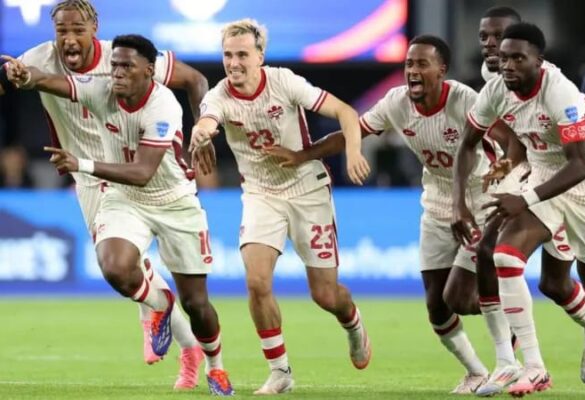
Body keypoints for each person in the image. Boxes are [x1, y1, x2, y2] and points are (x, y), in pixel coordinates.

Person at [263, 35, 494, 394]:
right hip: (435, 202)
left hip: (479, 201)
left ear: (442, 70)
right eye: (409, 64)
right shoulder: (396, 102)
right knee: (436, 306)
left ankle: (509, 322)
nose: (412, 71)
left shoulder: (466, 101)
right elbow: (351, 131)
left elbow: (504, 138)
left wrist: (512, 170)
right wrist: (304, 155)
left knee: (460, 298)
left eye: (422, 64)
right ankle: (476, 372)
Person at [4, 34, 234, 396]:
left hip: (172, 200)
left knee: (196, 303)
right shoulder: (99, 87)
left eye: (127, 66)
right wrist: (24, 76)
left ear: (150, 70)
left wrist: (82, 163)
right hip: (121, 195)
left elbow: (143, 172)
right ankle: (158, 304)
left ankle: (214, 365)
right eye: (114, 66)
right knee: (115, 266)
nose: (118, 73)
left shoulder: (163, 105)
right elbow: (50, 80)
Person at [188, 18, 371, 395]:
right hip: (261, 194)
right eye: (227, 55)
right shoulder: (219, 96)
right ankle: (280, 371)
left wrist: (353, 152)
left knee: (325, 295)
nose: (234, 63)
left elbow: (346, 113)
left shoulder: (284, 82)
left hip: (308, 191)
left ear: (260, 56)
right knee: (256, 282)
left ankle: (353, 324)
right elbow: (206, 121)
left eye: (242, 54)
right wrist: (200, 135)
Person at [452, 22, 585, 397]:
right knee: (503, 256)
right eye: (504, 58)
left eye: (518, 58)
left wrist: (525, 198)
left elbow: (580, 165)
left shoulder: (561, 91)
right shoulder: (496, 90)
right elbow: (467, 144)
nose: (508, 65)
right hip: (543, 177)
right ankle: (532, 367)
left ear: (539, 60)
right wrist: (459, 205)